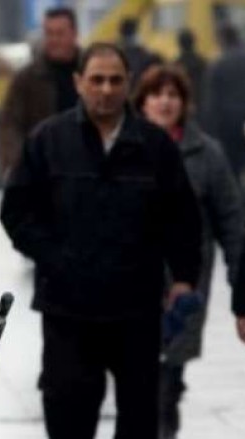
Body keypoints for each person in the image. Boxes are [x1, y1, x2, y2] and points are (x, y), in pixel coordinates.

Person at [0, 43, 202, 439]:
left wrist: (183, 279)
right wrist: (55, 258)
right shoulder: (48, 141)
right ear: (79, 83)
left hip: (137, 311)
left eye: (115, 80)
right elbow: (17, 212)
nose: (106, 89)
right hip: (68, 312)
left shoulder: (155, 146)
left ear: (128, 85)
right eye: (96, 80)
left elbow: (183, 219)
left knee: (141, 420)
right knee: (68, 417)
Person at [133, 64, 245, 439]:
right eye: (156, 94)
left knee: (167, 382)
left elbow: (232, 223)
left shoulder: (206, 154)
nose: (165, 102)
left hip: (185, 286)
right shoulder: (126, 148)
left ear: (184, 103)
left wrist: (240, 292)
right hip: (131, 285)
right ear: (142, 102)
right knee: (137, 379)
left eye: (173, 95)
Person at [0, 7, 80, 176]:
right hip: (42, 168)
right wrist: (17, 164)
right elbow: (11, 125)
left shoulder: (91, 73)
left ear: (74, 34)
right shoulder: (27, 79)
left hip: (84, 166)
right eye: (49, 33)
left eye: (60, 33)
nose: (54, 40)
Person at [202, 24, 245, 183]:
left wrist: (209, 130)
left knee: (233, 166)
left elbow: (212, 102)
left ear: (222, 40)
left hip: (228, 124)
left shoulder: (218, 64)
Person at [118, 17, 163, 87]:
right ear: (135, 33)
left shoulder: (116, 53)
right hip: (136, 90)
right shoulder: (142, 54)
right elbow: (158, 60)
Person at [174, 29, 206, 107]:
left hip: (183, 105)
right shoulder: (202, 62)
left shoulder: (176, 64)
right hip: (199, 103)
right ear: (193, 43)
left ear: (179, 44)